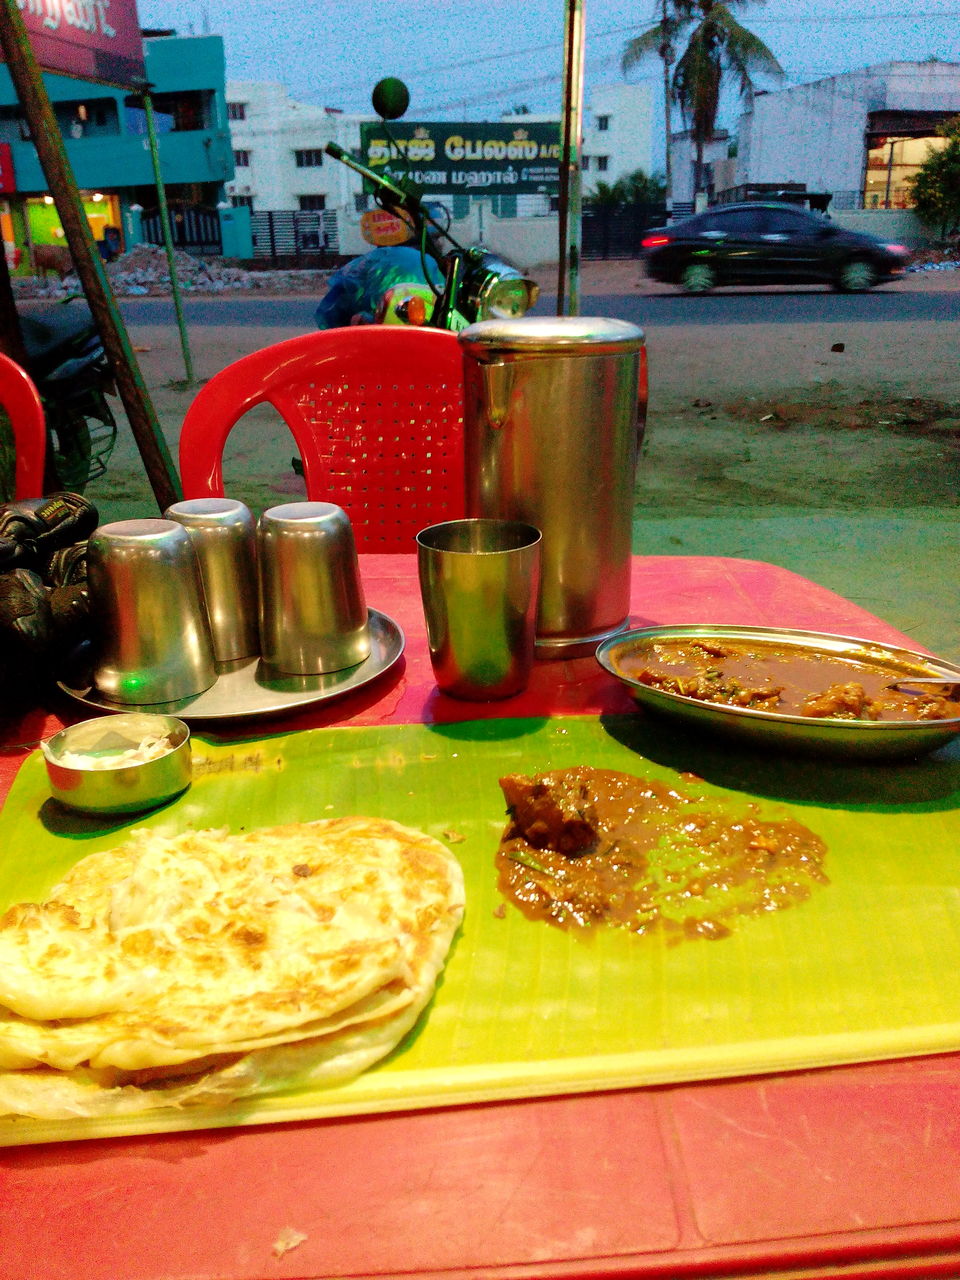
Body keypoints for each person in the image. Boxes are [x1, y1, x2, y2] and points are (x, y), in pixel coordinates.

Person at [314, 207, 444, 329]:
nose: (440, 244)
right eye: (436, 238)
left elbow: (329, 316)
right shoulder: (430, 263)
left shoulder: (362, 264)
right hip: (422, 341)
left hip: (372, 341)